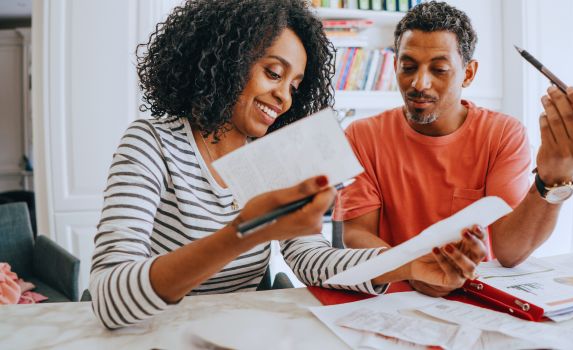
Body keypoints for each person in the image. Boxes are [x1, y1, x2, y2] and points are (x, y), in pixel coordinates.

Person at [89, 0, 487, 329]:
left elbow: (314, 260)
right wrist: (245, 233)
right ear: (226, 60)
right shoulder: (152, 143)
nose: (284, 98)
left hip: (233, 332)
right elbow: (108, 297)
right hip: (151, 332)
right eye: (273, 73)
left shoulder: (277, 155)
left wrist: (408, 263)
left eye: (295, 86)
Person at [334, 0, 573, 297]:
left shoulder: (502, 134)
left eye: (440, 69)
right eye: (407, 67)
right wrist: (411, 268)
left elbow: (509, 252)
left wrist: (553, 179)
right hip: (392, 296)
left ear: (469, 74)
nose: (419, 83)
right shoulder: (361, 135)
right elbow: (356, 233)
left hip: (474, 297)